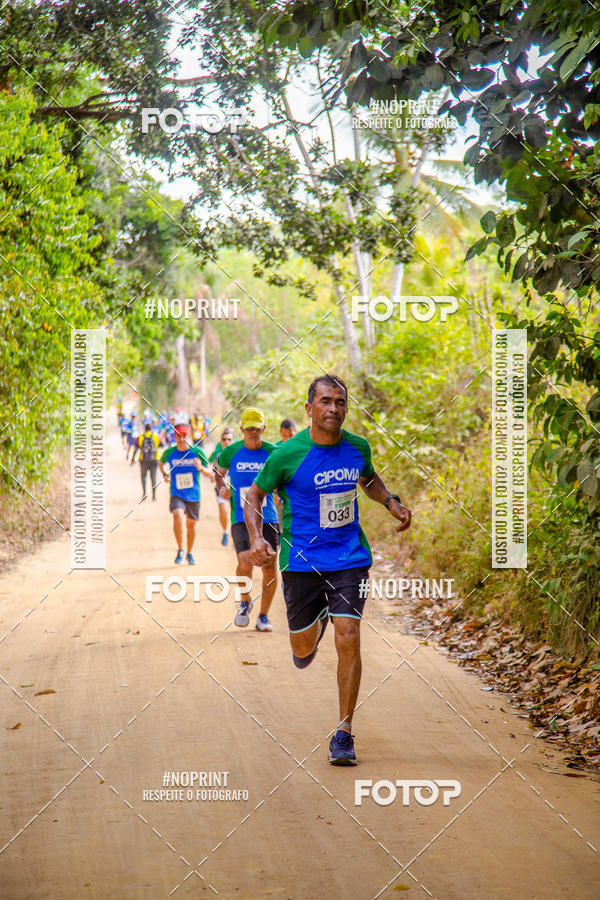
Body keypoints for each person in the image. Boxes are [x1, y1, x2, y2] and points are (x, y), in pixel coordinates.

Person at [244, 374, 412, 765]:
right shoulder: (287, 454)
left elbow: (368, 478)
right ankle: (315, 624)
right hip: (300, 561)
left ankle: (344, 732)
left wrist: (390, 502)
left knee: (349, 633)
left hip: (349, 558)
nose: (333, 408)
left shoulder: (357, 447)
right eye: (325, 401)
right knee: (302, 650)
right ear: (309, 409)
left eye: (340, 402)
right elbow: (255, 493)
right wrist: (256, 538)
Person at [215, 408, 279, 632]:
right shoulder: (231, 452)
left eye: (257, 428)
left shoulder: (274, 451)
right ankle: (245, 601)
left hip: (268, 515)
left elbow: (286, 476)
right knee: (245, 561)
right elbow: (218, 472)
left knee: (269, 566)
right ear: (242, 429)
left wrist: (281, 491)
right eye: (249, 428)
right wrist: (222, 487)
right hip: (240, 515)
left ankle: (263, 616)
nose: (254, 432)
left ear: (264, 428)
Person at [159, 423, 212, 565]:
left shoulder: (197, 452)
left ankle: (189, 552)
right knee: (177, 517)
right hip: (177, 492)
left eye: (185, 435)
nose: (182, 439)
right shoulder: (169, 452)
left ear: (189, 436)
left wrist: (200, 468)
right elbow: (161, 463)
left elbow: (210, 473)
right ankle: (180, 549)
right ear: (174, 436)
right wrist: (165, 474)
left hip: (194, 494)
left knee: (191, 524)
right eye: (178, 435)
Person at [209, 426, 235, 545]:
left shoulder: (239, 455)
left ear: (233, 441)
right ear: (221, 442)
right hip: (222, 489)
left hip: (237, 490)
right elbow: (214, 473)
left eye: (229, 439)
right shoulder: (218, 456)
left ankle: (238, 536)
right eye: (224, 439)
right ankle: (225, 531)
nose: (227, 442)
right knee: (224, 512)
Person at [132, 420, 161, 501]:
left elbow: (136, 448)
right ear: (151, 429)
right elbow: (161, 444)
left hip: (143, 459)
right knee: (153, 477)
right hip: (154, 459)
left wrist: (132, 459)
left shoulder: (140, 437)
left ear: (145, 429)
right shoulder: (156, 436)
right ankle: (154, 496)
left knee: (144, 477)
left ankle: (144, 494)